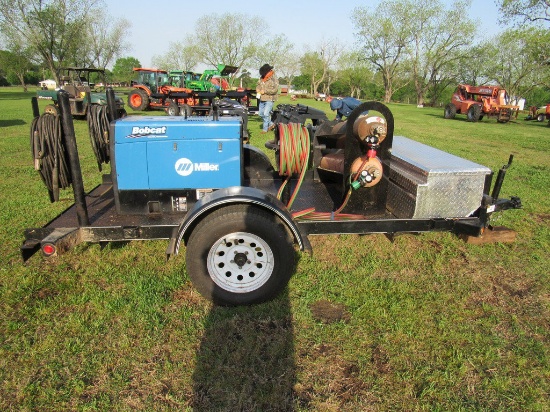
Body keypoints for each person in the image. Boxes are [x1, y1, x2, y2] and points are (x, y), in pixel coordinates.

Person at [256, 64, 279, 133]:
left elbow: (275, 90)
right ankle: (272, 124)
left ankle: (265, 129)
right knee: (260, 114)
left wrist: (265, 91)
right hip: (262, 98)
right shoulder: (261, 78)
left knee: (266, 114)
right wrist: (257, 89)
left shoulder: (274, 79)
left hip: (270, 98)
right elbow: (258, 85)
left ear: (269, 71)